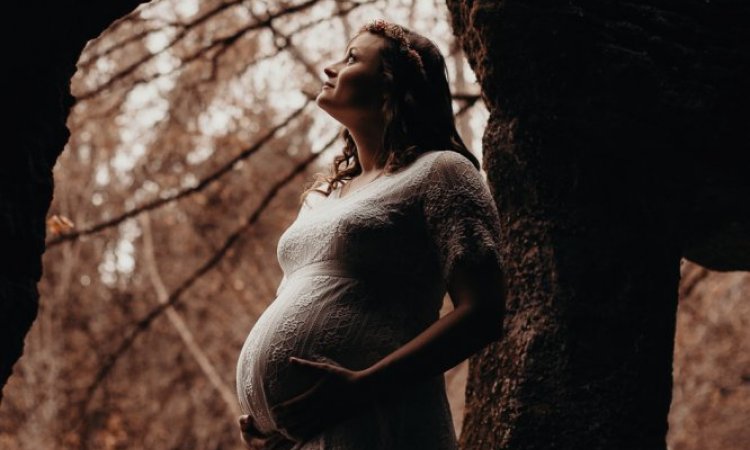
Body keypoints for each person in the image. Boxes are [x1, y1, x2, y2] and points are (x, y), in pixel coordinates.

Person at [236, 19, 507, 450]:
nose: (329, 68)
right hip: (307, 436)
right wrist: (276, 427)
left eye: (350, 59)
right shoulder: (324, 197)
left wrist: (364, 385)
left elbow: (485, 310)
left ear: (390, 87)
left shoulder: (442, 172)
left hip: (384, 423)